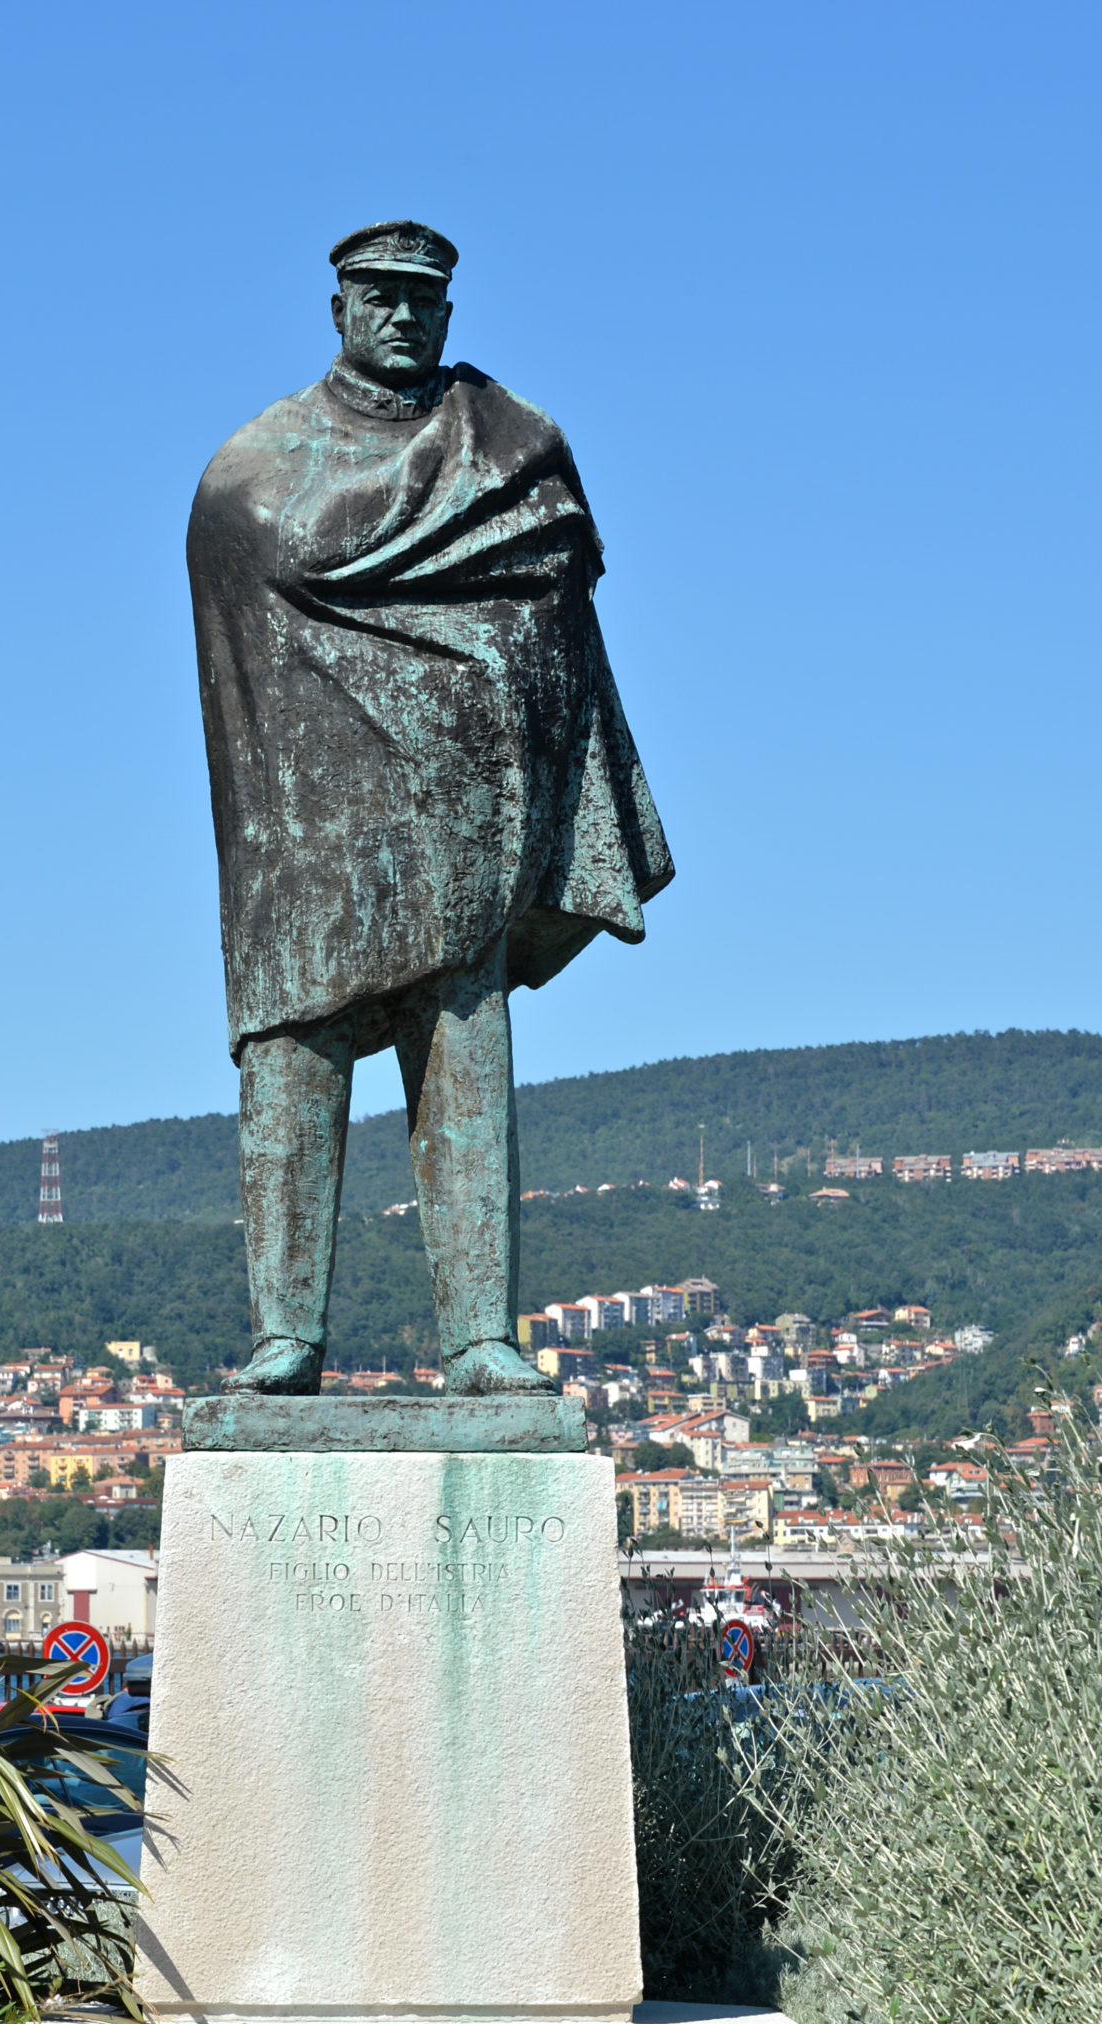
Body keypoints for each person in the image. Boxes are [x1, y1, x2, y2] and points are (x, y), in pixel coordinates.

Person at [187, 221, 672, 1393]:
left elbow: (558, 619)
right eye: (380, 295)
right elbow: (240, 680)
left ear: (448, 313)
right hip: (306, 849)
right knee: (296, 1058)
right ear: (339, 307)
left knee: (465, 1056)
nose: (403, 315)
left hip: (462, 836)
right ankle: (286, 1336)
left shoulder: (506, 449)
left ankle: (478, 1338)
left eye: (423, 298)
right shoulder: (250, 478)